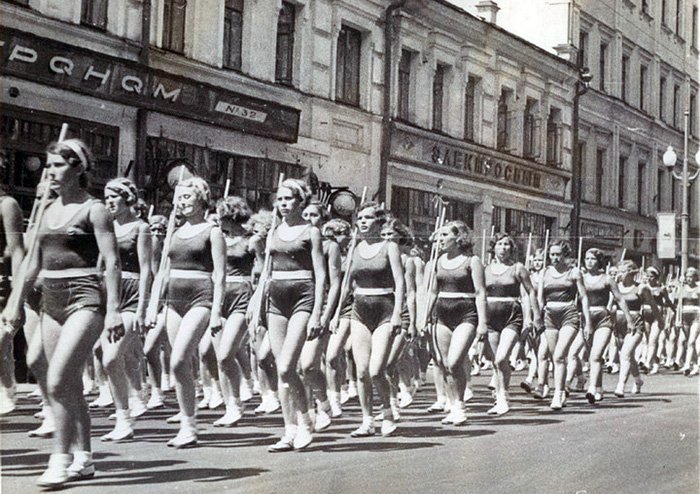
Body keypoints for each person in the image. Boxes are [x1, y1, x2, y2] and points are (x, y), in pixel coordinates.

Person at [2, 138, 123, 487]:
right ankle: (84, 457)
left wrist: (113, 310)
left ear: (78, 168)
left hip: (85, 298)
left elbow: (112, 263)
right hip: (50, 299)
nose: (49, 171)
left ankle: (60, 459)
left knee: (56, 381)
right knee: (66, 382)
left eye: (57, 165)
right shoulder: (45, 211)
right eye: (48, 165)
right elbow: (29, 266)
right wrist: (14, 303)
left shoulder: (94, 209)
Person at [147, 176, 226, 448]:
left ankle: (190, 424)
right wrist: (152, 305)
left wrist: (216, 311)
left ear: (201, 199)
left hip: (200, 296)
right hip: (173, 300)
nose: (181, 203)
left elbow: (220, 274)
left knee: (179, 359)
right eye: (178, 198)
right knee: (178, 362)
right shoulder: (174, 232)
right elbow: (162, 272)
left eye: (187, 197)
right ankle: (187, 423)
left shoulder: (212, 232)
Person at [265, 179, 326, 452]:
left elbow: (321, 276)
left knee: (288, 366)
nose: (283, 204)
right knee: (281, 372)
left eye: (288, 199)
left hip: (303, 296)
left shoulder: (311, 232)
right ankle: (288, 430)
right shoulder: (274, 231)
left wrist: (317, 314)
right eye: (279, 200)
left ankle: (305, 422)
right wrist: (257, 309)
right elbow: (266, 273)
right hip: (275, 300)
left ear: (301, 202)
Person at [346, 202, 405, 438]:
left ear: (379, 222)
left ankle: (388, 412)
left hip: (385, 308)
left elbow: (400, 283)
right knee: (361, 372)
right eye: (359, 218)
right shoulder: (355, 248)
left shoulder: (389, 247)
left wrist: (399, 312)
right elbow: (346, 283)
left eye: (368, 218)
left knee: (376, 370)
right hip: (360, 309)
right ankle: (367, 420)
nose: (362, 222)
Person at [100, 178, 152, 441]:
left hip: (131, 295)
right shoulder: (105, 227)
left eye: (114, 196)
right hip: (108, 295)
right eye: (105, 196)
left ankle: (127, 413)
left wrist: (143, 308)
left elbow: (146, 271)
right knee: (112, 357)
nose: (109, 201)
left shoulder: (140, 228)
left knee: (111, 358)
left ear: (127, 198)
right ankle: (127, 411)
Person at [422, 221, 486, 425]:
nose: (440, 239)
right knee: (443, 363)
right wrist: (423, 318)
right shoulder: (436, 262)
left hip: (466, 313)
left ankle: (459, 405)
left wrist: (483, 322)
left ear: (458, 238)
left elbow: (480, 292)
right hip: (441, 314)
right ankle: (453, 404)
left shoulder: (472, 261)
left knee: (454, 361)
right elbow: (432, 292)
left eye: (444, 235)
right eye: (439, 236)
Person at [212, 196, 263, 426]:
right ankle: (231, 404)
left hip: (242, 294)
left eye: (222, 215)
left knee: (226, 354)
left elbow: (262, 272)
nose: (219, 220)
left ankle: (244, 390)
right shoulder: (217, 239)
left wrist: (256, 301)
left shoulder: (251, 240)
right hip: (218, 294)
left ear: (231, 216)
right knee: (218, 358)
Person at [483, 233, 540, 415]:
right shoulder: (485, 269)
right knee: (495, 361)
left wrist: (532, 316)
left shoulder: (518, 268)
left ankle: (503, 395)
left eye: (507, 245)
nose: (504, 248)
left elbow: (529, 292)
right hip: (490, 316)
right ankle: (501, 397)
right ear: (493, 247)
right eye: (500, 244)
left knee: (501, 358)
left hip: (512, 315)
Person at [538, 240, 591, 410]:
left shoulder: (574, 273)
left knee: (560, 355)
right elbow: (540, 298)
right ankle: (560, 389)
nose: (554, 258)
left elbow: (583, 297)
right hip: (549, 314)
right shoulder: (544, 273)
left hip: (569, 313)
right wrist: (537, 318)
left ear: (565, 255)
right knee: (555, 357)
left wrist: (587, 322)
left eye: (558, 254)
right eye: (552, 254)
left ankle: (558, 392)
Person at [580, 249, 635, 403]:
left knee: (595, 356)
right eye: (587, 258)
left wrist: (629, 319)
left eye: (592, 259)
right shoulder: (580, 279)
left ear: (599, 261)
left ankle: (591, 388)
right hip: (585, 319)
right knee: (590, 355)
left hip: (603, 319)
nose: (589, 261)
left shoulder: (606, 279)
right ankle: (598, 388)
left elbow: (620, 299)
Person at [613, 260, 661, 397]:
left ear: (631, 273)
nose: (619, 274)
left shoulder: (641, 288)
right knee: (629, 356)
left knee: (625, 354)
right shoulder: (615, 286)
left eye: (622, 271)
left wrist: (660, 321)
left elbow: (653, 305)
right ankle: (638, 380)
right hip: (619, 323)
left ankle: (620, 386)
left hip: (635, 324)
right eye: (618, 271)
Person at [0, 165, 25, 415]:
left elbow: (17, 250)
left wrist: (17, 294)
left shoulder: (7, 204)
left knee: (1, 342)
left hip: (1, 282)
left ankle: (7, 387)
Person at [322, 218, 352, 417]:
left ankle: (335, 399)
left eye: (339, 234)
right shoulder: (324, 252)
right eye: (331, 233)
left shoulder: (350, 257)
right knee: (327, 357)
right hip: (325, 305)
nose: (336, 238)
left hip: (346, 308)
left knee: (333, 355)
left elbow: (346, 287)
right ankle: (334, 389)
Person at [641, 267, 673, 375]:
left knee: (652, 341)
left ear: (656, 278)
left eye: (652, 277)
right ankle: (655, 364)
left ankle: (647, 363)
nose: (649, 279)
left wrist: (675, 310)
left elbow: (668, 301)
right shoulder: (643, 288)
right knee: (647, 340)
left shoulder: (662, 289)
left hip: (657, 317)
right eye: (648, 276)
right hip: (645, 315)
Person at [679, 268, 700, 376]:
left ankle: (687, 365)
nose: (689, 279)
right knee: (688, 341)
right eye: (687, 276)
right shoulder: (682, 288)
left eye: (691, 276)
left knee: (692, 341)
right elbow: (678, 305)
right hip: (684, 316)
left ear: (696, 277)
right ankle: (695, 364)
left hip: (696, 316)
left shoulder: (699, 288)